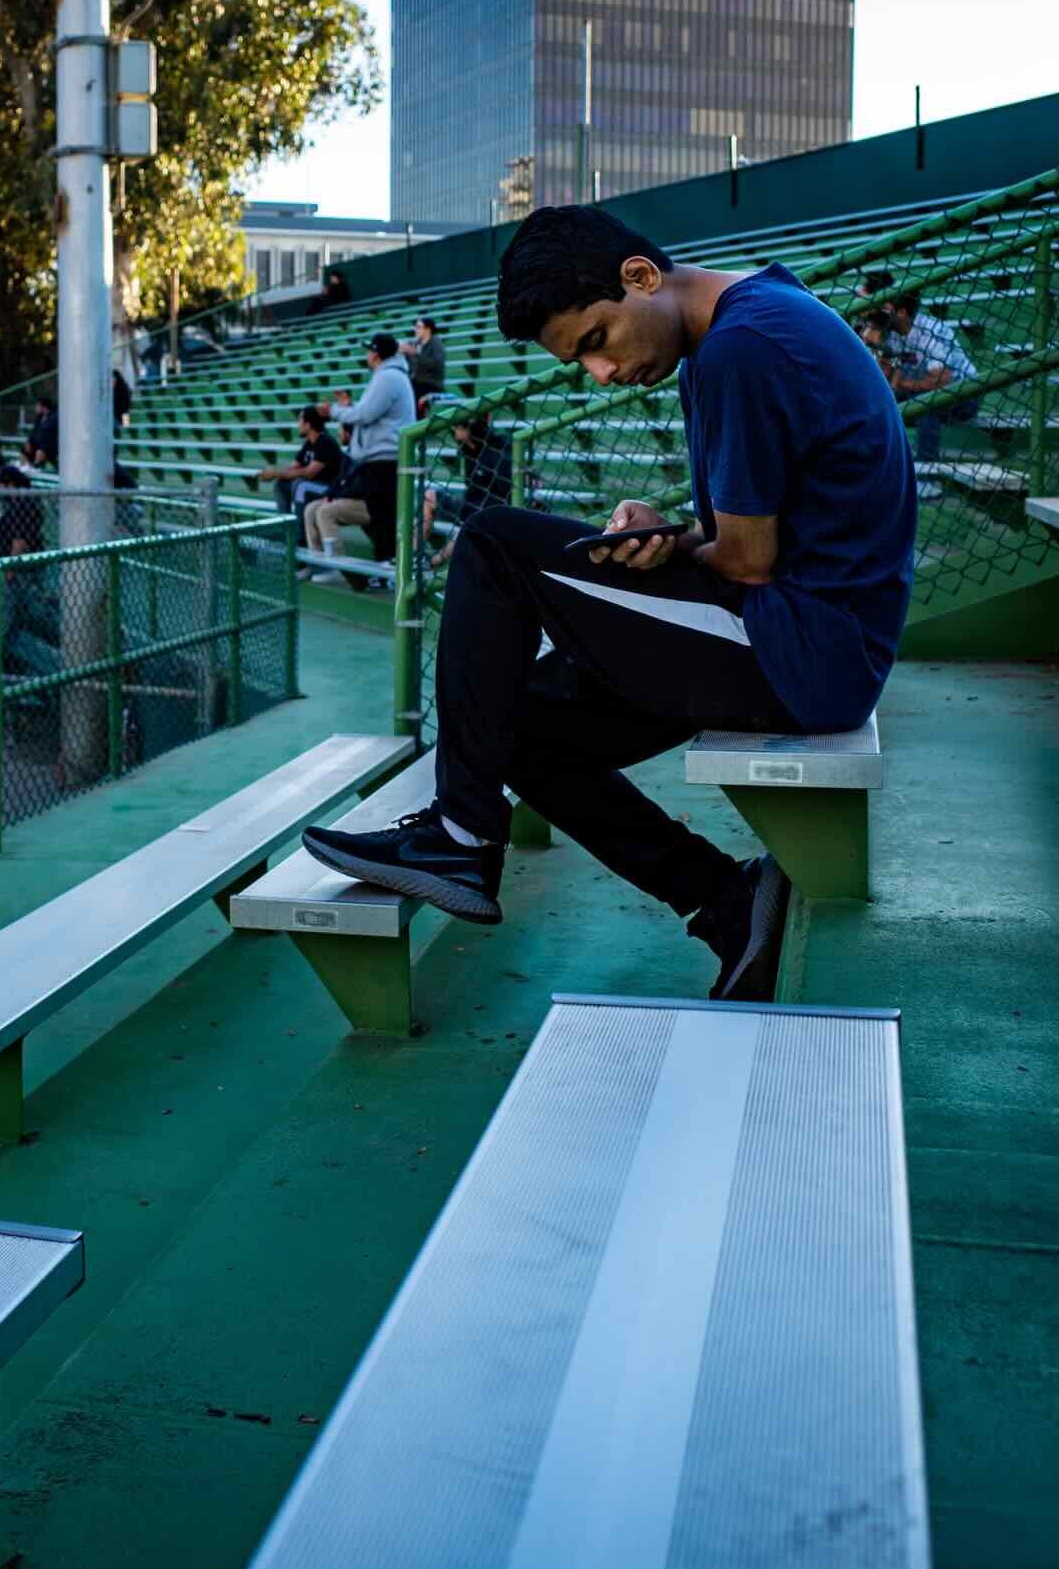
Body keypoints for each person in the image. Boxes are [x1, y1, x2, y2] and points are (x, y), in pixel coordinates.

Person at [302, 205, 917, 1005]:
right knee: (511, 722)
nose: (599, 372)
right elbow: (757, 528)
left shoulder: (740, 347)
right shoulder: (748, 323)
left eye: (594, 341)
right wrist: (673, 533)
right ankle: (723, 899)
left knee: (490, 543)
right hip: (806, 635)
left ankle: (458, 835)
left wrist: (677, 545)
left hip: (801, 650)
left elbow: (748, 559)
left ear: (638, 276)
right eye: (578, 362)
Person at [305, 334, 416, 580]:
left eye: (370, 351)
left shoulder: (388, 377)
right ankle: (383, 569)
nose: (367, 355)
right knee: (379, 517)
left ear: (376, 354)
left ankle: (387, 570)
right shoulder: (388, 375)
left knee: (382, 518)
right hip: (380, 458)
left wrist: (334, 411)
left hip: (385, 459)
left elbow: (364, 414)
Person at [878, 285, 979, 469]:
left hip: (963, 394)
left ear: (901, 312)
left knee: (926, 406)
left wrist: (900, 383)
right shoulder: (892, 333)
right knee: (878, 403)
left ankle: (928, 471)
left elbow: (942, 380)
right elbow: (885, 375)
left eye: (886, 310)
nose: (882, 314)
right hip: (917, 391)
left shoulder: (930, 330)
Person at [422, 410, 511, 568]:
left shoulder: (497, 447)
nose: (454, 430)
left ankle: (431, 564)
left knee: (471, 524)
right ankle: (417, 556)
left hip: (489, 510)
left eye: (459, 426)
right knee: (430, 495)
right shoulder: (468, 450)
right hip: (469, 505)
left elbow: (505, 492)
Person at [253, 404, 343, 548]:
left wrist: (276, 472)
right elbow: (293, 467)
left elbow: (309, 472)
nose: (298, 425)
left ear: (308, 424)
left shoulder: (325, 441)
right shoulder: (308, 443)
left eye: (300, 421)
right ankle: (285, 529)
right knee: (281, 484)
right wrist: (273, 473)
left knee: (300, 485)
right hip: (311, 487)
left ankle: (300, 539)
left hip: (329, 489)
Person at [402, 316, 447, 411]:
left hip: (432, 384)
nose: (415, 330)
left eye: (419, 327)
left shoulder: (436, 343)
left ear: (428, 329)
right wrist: (404, 353)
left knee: (412, 388)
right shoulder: (417, 344)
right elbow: (410, 366)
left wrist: (415, 354)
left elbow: (436, 364)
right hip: (417, 383)